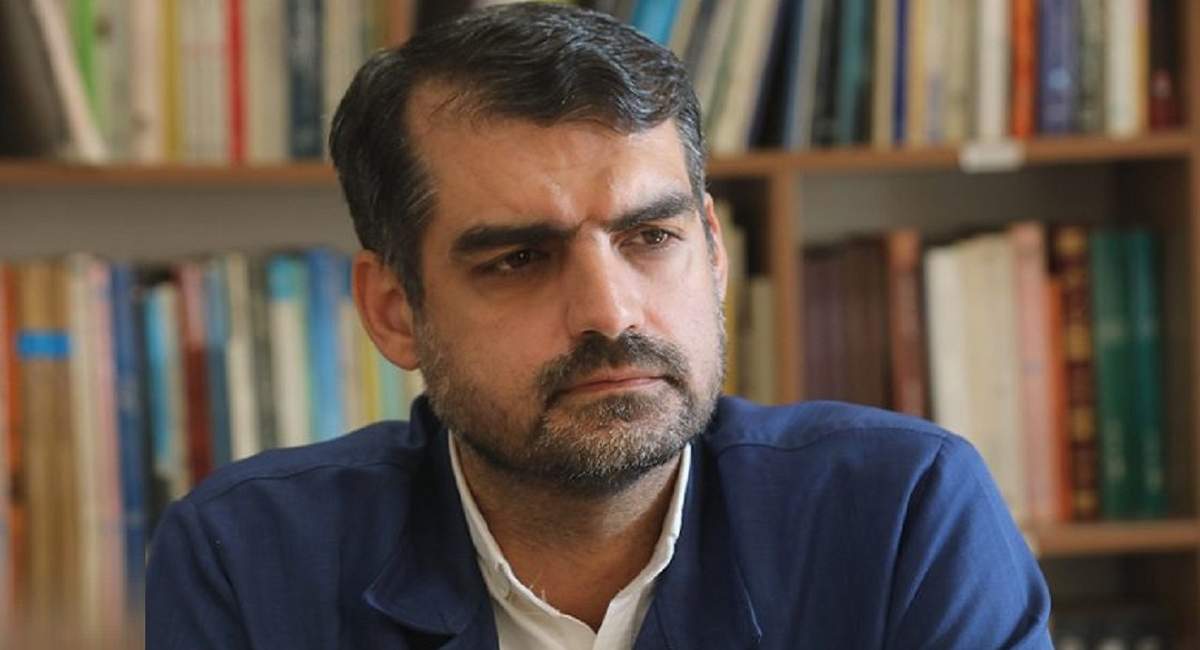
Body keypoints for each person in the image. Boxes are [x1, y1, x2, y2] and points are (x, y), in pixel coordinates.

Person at [146, 3, 1052, 648]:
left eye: (651, 238)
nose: (610, 312)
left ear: (714, 255)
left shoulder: (903, 512)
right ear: (395, 311)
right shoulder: (247, 556)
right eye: (518, 259)